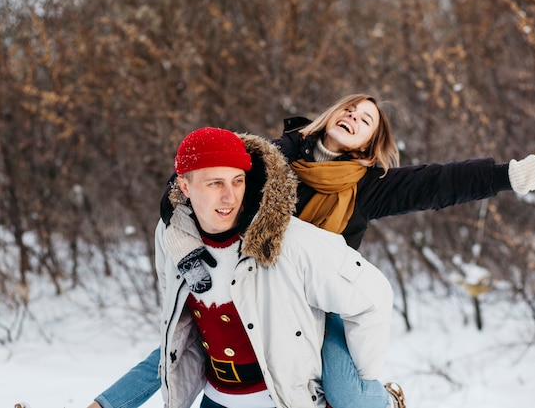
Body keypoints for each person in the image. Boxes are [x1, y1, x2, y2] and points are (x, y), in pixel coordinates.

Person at [87, 94, 535, 408]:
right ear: (330, 115)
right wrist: (184, 246)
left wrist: (513, 174)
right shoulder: (273, 161)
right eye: (350, 109)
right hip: (250, 286)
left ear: (370, 145)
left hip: (320, 301)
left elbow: (442, 182)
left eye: (366, 120)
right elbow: (187, 183)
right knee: (181, 342)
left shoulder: (367, 186)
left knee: (347, 394)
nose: (354, 117)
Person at [120, 126, 395, 408]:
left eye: (237, 181)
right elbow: (179, 331)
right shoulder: (170, 236)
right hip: (217, 399)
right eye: (215, 183)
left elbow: (374, 297)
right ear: (184, 186)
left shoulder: (293, 242)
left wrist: (360, 389)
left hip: (283, 400)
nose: (229, 197)